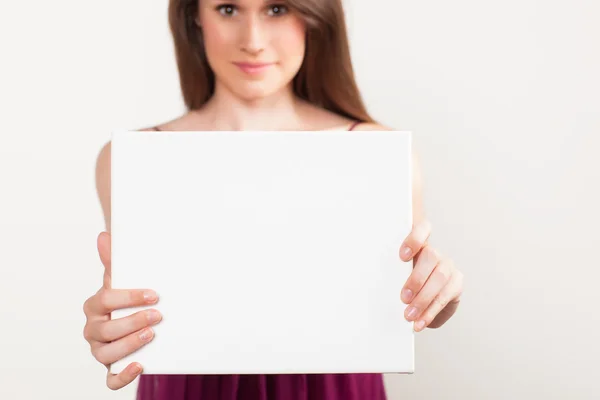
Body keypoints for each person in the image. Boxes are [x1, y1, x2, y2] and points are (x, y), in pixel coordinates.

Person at [83, 0, 464, 398]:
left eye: (277, 9)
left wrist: (441, 296)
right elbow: (135, 302)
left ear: (315, 18)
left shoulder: (379, 152)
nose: (253, 41)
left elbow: (409, 301)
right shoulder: (133, 160)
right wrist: (112, 329)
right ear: (194, 15)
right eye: (228, 9)